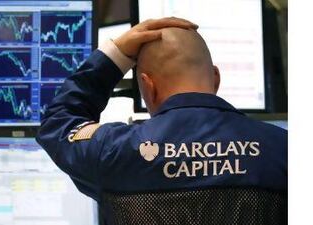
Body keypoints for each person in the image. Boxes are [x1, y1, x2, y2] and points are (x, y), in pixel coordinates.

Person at [36, 17, 287, 225]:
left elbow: (58, 122)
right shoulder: (283, 148)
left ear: (148, 86)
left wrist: (116, 55)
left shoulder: (114, 151)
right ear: (216, 79)